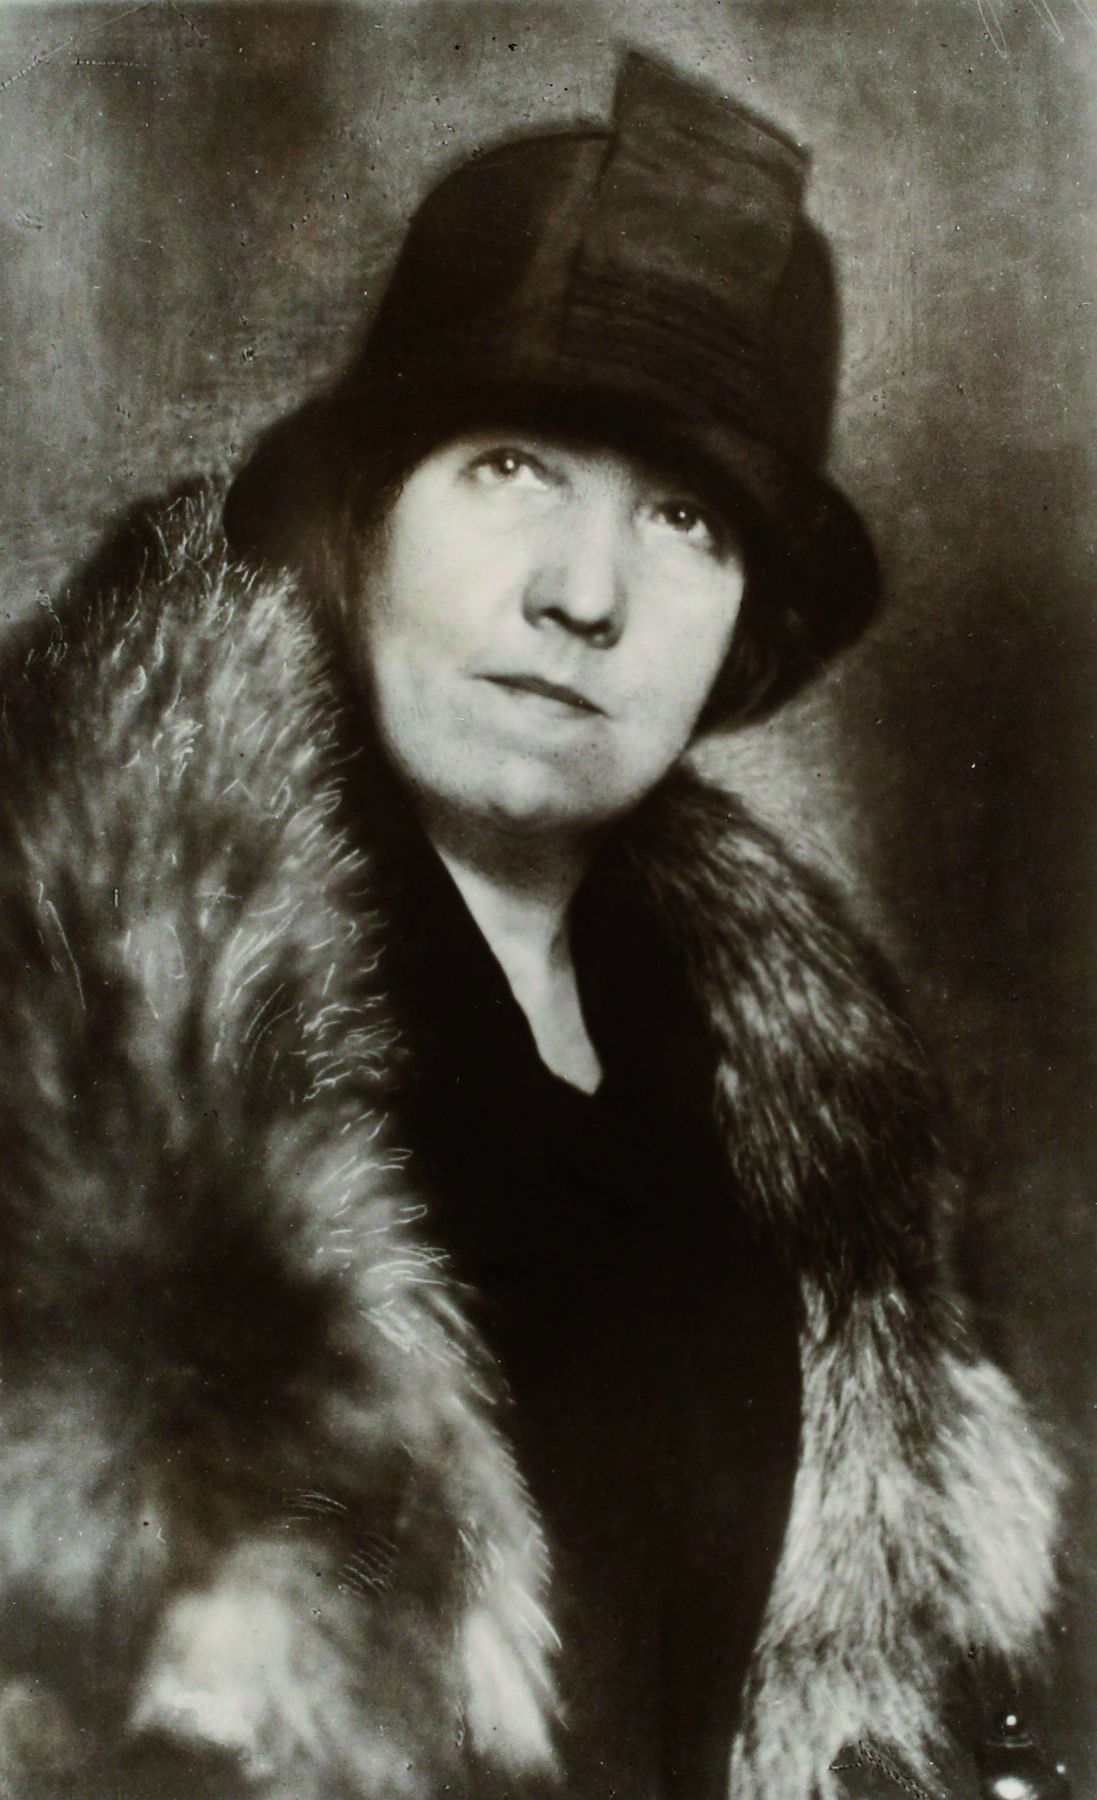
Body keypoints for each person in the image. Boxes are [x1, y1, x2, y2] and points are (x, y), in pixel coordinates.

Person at [0, 47, 1068, 1800]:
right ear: (361, 520)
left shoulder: (798, 1112)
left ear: (741, 624)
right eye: (509, 468)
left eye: (685, 517)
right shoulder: (70, 1027)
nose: (586, 594)